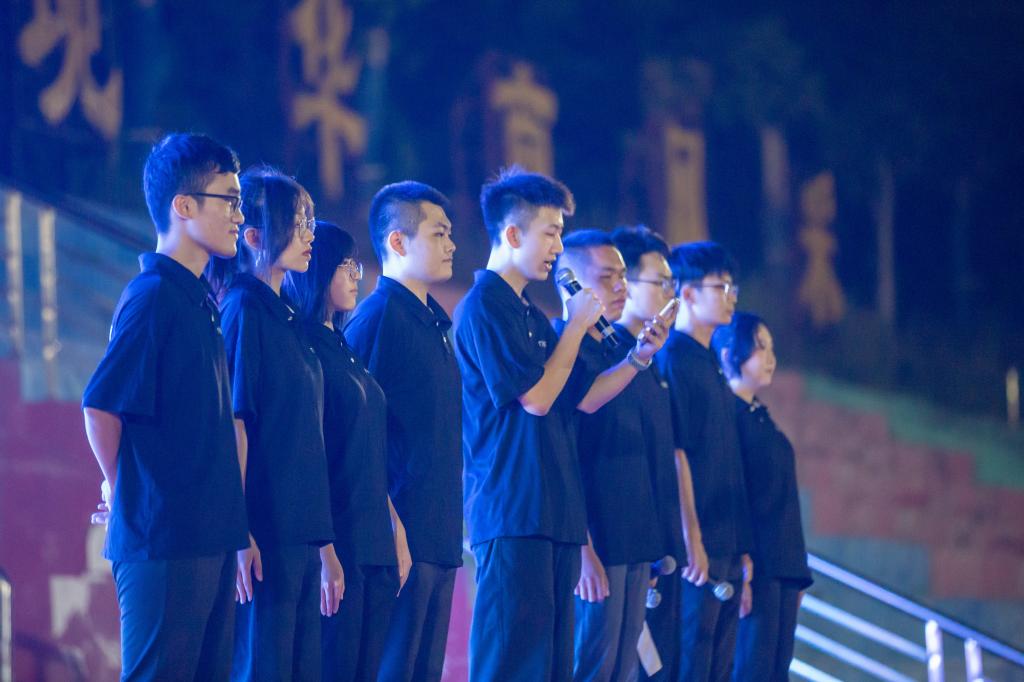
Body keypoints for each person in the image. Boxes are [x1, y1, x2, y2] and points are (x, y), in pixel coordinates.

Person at [81, 132, 249, 680]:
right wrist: (122, 488)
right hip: (164, 542)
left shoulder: (198, 298)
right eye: (229, 200)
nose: (238, 215)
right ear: (184, 206)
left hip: (208, 536)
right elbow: (100, 406)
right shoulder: (153, 295)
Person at [453, 166, 605, 681]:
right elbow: (536, 399)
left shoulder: (530, 314)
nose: (558, 248)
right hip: (512, 514)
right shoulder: (483, 307)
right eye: (551, 233)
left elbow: (579, 397)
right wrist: (575, 327)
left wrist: (638, 358)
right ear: (513, 234)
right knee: (510, 663)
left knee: (551, 667)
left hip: (553, 514)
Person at [209, 167, 340, 681]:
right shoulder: (243, 307)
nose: (309, 235)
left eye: (310, 222)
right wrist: (239, 528)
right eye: (297, 223)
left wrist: (323, 543)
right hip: (265, 530)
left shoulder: (288, 314)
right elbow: (236, 422)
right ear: (254, 237)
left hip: (300, 533)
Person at [342, 182, 461, 682]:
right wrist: (391, 525)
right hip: (400, 539)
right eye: (438, 234)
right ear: (397, 241)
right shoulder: (377, 319)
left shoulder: (434, 322)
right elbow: (352, 432)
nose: (452, 245)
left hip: (439, 534)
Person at [286, 221, 411, 682]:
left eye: (357, 264)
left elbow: (366, 449)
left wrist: (396, 527)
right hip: (339, 542)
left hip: (375, 543)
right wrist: (325, 552)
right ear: (317, 269)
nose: (357, 274)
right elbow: (309, 455)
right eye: (345, 265)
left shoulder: (343, 345)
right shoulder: (304, 348)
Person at [551, 229, 669, 682]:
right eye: (606, 277)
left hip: (634, 538)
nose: (621, 286)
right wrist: (583, 549)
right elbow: (563, 457)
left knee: (625, 669)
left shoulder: (620, 348)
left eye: (623, 276)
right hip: (597, 540)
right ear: (571, 283)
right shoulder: (564, 350)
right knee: (593, 666)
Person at [655, 241, 753, 682]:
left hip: (727, 539)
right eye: (721, 287)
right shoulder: (673, 358)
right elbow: (677, 451)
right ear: (689, 293)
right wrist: (691, 535)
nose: (731, 296)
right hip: (700, 544)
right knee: (693, 660)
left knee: (720, 665)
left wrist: (742, 545)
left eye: (733, 288)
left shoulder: (711, 361)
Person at [711, 313, 812, 682]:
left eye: (771, 348)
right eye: (759, 348)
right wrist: (743, 563)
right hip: (756, 566)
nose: (771, 358)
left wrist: (797, 572)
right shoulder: (726, 416)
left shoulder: (758, 415)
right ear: (729, 353)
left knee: (776, 672)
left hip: (782, 566)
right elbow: (732, 494)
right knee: (751, 669)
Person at [609, 225, 688, 681]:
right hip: (621, 548)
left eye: (671, 283)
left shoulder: (651, 361)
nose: (669, 293)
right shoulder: (611, 357)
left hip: (656, 548)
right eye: (660, 282)